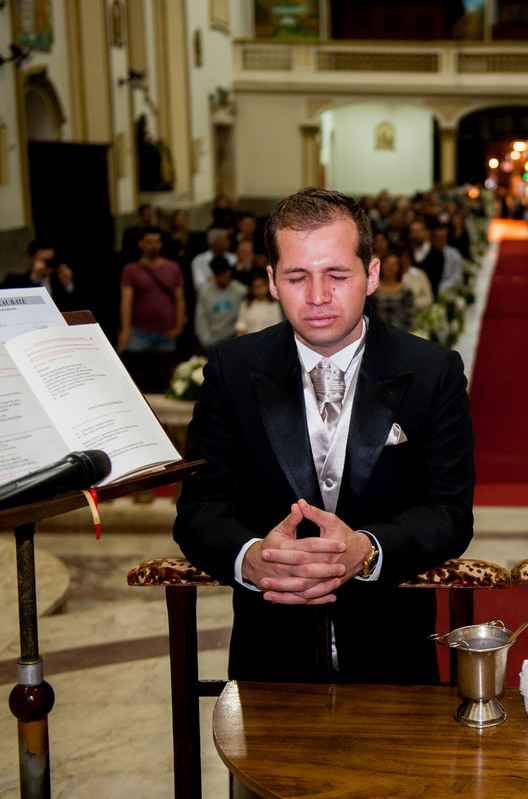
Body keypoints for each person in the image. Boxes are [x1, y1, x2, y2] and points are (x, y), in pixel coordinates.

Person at [173, 187, 475, 685]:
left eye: (337, 274)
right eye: (297, 276)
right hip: (269, 653)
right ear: (271, 281)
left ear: (371, 274)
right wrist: (253, 559)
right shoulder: (233, 369)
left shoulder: (432, 371)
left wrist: (369, 549)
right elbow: (201, 508)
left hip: (392, 653)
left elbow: (449, 510)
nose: (317, 296)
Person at [118, 229, 185, 352]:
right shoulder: (130, 269)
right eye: (149, 242)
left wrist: (179, 327)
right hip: (139, 333)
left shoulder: (173, 268)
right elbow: (126, 301)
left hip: (167, 333)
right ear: (140, 244)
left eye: (157, 242)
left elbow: (179, 300)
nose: (153, 246)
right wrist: (125, 330)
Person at [193, 256, 246, 347]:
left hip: (235, 339)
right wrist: (206, 340)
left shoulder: (241, 291)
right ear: (214, 274)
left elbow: (245, 317)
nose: (222, 277)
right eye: (218, 274)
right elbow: (201, 317)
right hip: (212, 340)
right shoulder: (205, 293)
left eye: (224, 274)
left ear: (229, 272)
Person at [369, 251, 415, 331]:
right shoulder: (372, 289)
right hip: (376, 332)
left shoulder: (406, 291)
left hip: (401, 334)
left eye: (394, 264)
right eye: (387, 263)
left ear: (399, 267)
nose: (390, 267)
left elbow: (409, 317)